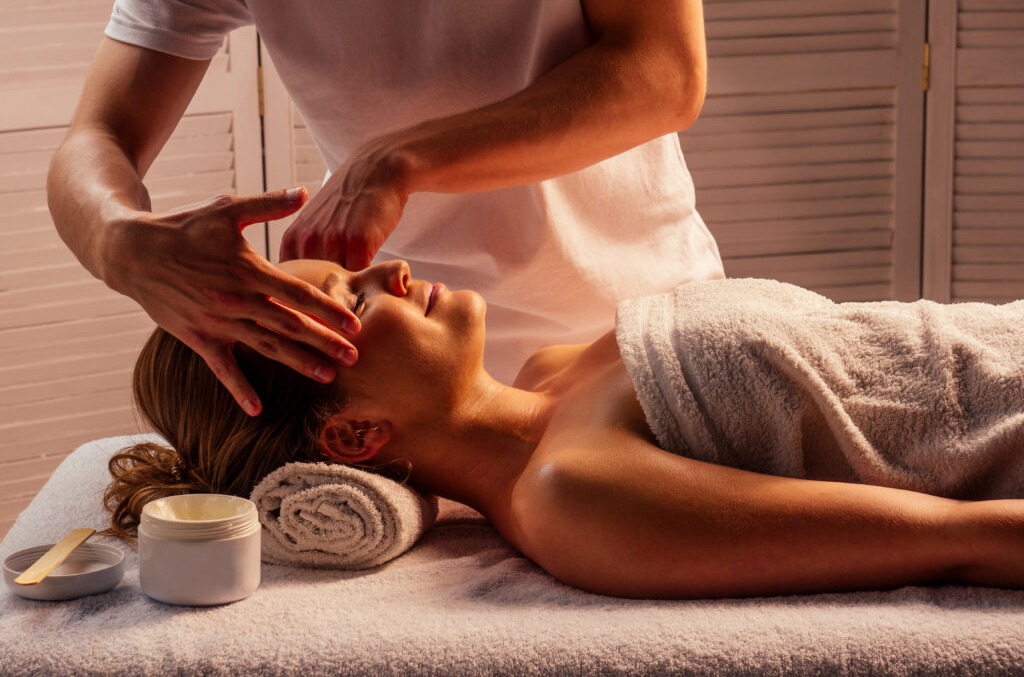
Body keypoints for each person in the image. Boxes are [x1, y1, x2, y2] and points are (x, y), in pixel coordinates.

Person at [105, 259, 1024, 600]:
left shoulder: (554, 371)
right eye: (354, 299)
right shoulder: (574, 497)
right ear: (351, 435)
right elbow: (955, 539)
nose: (393, 269)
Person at [47, 0, 724, 419]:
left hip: (643, 340)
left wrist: (399, 160)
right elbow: (96, 137)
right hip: (422, 399)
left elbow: (664, 72)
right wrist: (117, 240)